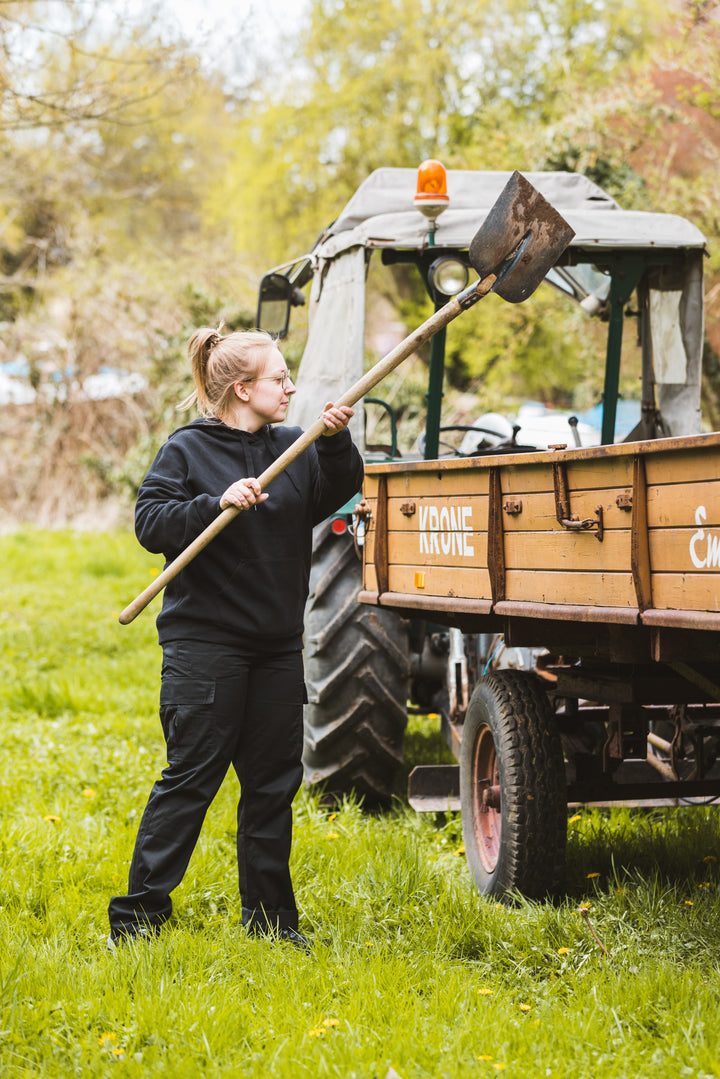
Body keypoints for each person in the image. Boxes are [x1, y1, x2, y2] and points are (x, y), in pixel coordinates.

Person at [108, 327, 363, 948]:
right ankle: (138, 922)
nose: (291, 387)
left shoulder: (292, 447)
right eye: (280, 378)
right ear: (242, 388)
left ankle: (272, 924)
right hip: (206, 645)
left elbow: (333, 493)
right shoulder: (188, 450)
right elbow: (150, 521)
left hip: (277, 645)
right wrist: (212, 502)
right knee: (192, 776)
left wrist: (333, 443)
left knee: (273, 786)